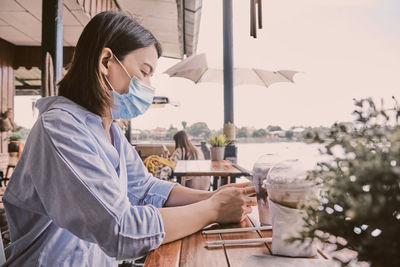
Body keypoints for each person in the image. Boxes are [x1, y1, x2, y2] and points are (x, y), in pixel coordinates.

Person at [2, 11, 256, 266]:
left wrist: (214, 197)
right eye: (144, 72)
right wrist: (212, 210)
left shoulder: (109, 130)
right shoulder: (60, 127)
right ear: (105, 61)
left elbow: (144, 189)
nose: (147, 85)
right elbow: (120, 231)